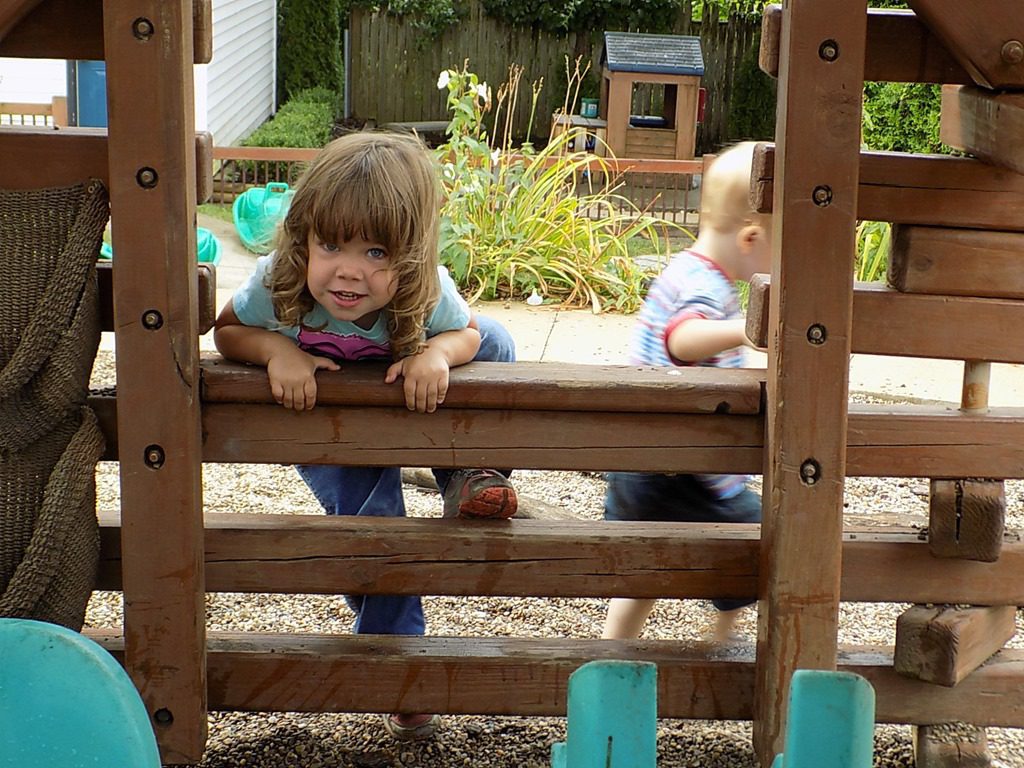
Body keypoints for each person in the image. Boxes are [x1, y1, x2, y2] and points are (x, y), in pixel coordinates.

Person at [214, 130, 518, 741]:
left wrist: (437, 353)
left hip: (404, 396)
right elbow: (227, 331)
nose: (349, 271)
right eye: (331, 245)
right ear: (303, 238)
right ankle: (395, 659)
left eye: (376, 253)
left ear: (409, 256)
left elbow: (468, 334)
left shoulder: (425, 286)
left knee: (498, 340)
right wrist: (276, 350)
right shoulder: (280, 281)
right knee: (374, 518)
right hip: (326, 416)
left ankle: (469, 473)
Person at [601, 141, 770, 645]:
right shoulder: (708, 287)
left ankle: (613, 653)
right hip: (680, 472)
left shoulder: (684, 267)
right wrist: (746, 331)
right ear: (750, 237)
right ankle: (722, 640)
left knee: (643, 579)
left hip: (641, 464)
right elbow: (682, 339)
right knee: (759, 539)